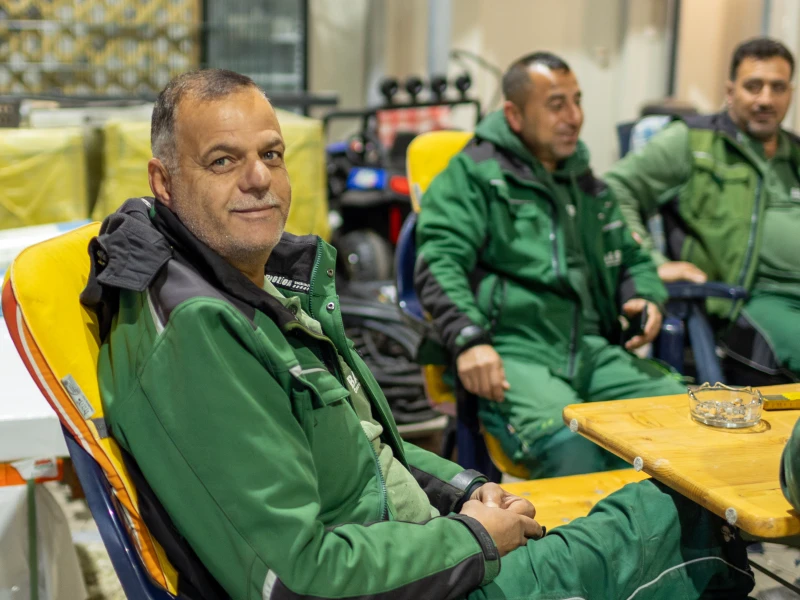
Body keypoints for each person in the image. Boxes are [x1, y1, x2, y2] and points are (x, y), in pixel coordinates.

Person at [84, 69, 754, 600]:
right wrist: (474, 537)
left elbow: (364, 451)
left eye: (272, 154)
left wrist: (464, 492)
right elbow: (297, 578)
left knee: (685, 460)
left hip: (427, 544)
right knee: (677, 518)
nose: (259, 177)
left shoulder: (257, 293)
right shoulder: (203, 333)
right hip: (423, 564)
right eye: (223, 161)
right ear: (164, 182)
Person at [414, 52, 685, 479]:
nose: (574, 117)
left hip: (590, 348)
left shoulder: (586, 184)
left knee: (681, 418)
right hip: (512, 350)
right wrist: (468, 339)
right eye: (557, 105)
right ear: (514, 115)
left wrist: (642, 296)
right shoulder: (474, 175)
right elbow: (438, 262)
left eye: (577, 101)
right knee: (571, 445)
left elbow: (632, 255)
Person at [605, 37, 800, 379]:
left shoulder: (794, 153)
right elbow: (613, 191)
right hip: (747, 302)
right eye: (753, 86)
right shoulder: (691, 141)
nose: (766, 99)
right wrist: (651, 262)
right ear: (730, 91)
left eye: (778, 87)